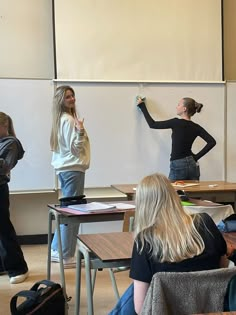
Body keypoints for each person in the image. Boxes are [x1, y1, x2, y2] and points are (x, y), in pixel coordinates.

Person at [109, 173, 228, 314]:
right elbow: (222, 269)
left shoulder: (145, 241)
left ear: (142, 205)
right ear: (174, 197)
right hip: (212, 309)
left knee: (133, 292)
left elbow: (141, 309)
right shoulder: (205, 222)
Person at [50, 85, 90, 268]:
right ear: (61, 101)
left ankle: (58, 250)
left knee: (67, 210)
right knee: (72, 213)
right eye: (68, 97)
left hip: (67, 169)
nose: (72, 99)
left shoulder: (62, 119)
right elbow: (75, 148)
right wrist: (80, 131)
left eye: (72, 95)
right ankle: (66, 255)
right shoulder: (67, 120)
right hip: (72, 170)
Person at [137, 97, 216, 180]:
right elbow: (212, 142)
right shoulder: (196, 127)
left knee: (172, 192)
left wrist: (142, 106)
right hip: (193, 164)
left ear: (184, 109)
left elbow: (152, 124)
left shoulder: (176, 122)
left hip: (178, 163)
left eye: (179, 105)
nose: (176, 107)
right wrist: (195, 157)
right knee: (192, 192)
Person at [0, 112, 29, 284]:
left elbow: (3, 167)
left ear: (4, 126)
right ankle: (3, 265)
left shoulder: (11, 143)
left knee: (4, 229)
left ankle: (18, 268)